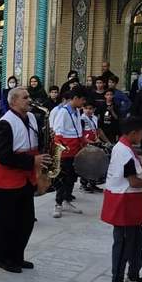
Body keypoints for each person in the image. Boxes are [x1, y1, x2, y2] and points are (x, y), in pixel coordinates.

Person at [102, 117, 142, 282]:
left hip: (130, 200)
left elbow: (130, 171)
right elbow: (134, 181)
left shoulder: (126, 147)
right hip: (123, 201)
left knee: (136, 241)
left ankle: (133, 277)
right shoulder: (124, 152)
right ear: (133, 133)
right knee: (124, 243)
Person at [0, 88, 50, 273]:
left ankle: (17, 256)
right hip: (7, 180)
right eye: (25, 97)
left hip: (26, 177)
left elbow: (36, 142)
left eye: (29, 97)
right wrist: (32, 161)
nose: (29, 100)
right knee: (7, 222)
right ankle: (4, 259)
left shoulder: (32, 117)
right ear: (13, 102)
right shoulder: (4, 124)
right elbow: (4, 156)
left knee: (26, 221)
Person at [51, 88, 87, 217]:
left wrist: (83, 143)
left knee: (71, 177)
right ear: (75, 98)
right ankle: (58, 204)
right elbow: (58, 133)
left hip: (75, 150)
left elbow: (78, 130)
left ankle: (67, 200)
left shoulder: (77, 111)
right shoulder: (63, 112)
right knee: (62, 178)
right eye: (82, 100)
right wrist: (62, 149)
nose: (83, 102)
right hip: (66, 151)